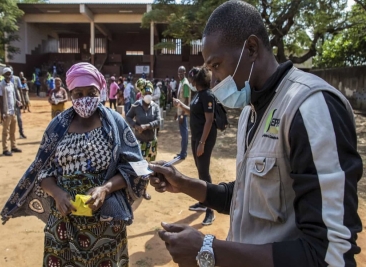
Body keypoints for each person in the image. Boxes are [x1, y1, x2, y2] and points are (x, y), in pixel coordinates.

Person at [148, 1, 363, 267]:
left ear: (251, 48)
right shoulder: (251, 113)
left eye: (216, 65)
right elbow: (249, 196)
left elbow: (329, 255)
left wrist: (209, 250)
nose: (214, 82)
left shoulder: (309, 108)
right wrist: (184, 184)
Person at [0, 62, 148, 267]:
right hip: (63, 223)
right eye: (78, 93)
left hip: (105, 223)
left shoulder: (114, 123)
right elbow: (43, 171)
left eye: (91, 92)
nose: (85, 98)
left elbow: (135, 167)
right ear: (70, 94)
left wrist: (105, 188)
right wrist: (57, 194)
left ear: (100, 91)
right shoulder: (57, 127)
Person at [173, 66, 217, 225]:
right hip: (197, 137)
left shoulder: (207, 95)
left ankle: (211, 210)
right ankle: (203, 201)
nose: (190, 81)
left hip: (204, 139)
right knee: (200, 170)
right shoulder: (198, 95)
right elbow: (193, 112)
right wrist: (180, 105)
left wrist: (202, 143)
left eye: (192, 78)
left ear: (197, 80)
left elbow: (209, 120)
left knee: (204, 173)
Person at [126, 81, 160, 201]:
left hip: (151, 144)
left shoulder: (155, 107)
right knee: (139, 167)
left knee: (149, 167)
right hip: (140, 143)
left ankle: (144, 190)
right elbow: (128, 117)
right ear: (141, 93)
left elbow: (158, 121)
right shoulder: (136, 106)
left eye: (150, 92)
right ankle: (135, 189)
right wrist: (135, 126)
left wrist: (147, 126)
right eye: (146, 92)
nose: (148, 95)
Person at [0, 67, 23, 156]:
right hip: (6, 112)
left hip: (13, 111)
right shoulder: (1, 85)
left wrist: (17, 102)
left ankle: (13, 146)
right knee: (5, 131)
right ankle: (5, 149)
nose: (8, 75)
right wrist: (2, 113)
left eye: (9, 74)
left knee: (13, 130)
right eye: (6, 74)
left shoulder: (11, 84)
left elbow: (13, 96)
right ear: (4, 75)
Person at [174, 66, 190, 160]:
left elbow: (187, 101)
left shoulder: (185, 84)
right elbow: (180, 99)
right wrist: (177, 112)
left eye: (181, 73)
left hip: (183, 113)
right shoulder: (181, 82)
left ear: (185, 72)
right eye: (178, 73)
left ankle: (183, 154)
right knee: (183, 133)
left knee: (184, 134)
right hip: (180, 112)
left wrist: (182, 114)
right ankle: (182, 152)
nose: (179, 75)